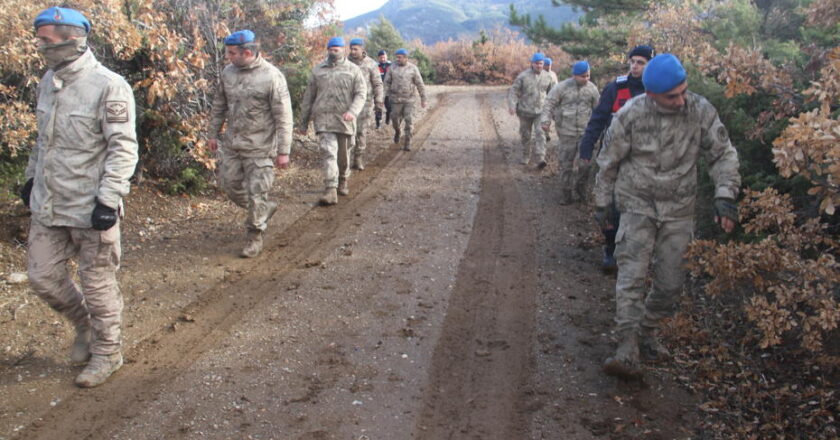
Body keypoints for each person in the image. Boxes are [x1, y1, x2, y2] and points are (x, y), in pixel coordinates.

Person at [594, 54, 740, 379]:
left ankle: (647, 330)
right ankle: (626, 345)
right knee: (630, 277)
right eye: (672, 96)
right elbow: (608, 162)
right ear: (652, 94)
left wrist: (725, 195)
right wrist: (602, 204)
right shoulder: (631, 114)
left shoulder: (699, 110)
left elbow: (723, 154)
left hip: (678, 210)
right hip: (636, 206)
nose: (681, 100)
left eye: (683, 91)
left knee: (671, 284)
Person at [24, 6, 139, 387]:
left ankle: (108, 353)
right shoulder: (48, 80)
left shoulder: (109, 85)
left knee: (98, 284)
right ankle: (84, 325)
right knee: (41, 276)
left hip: (92, 207)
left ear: (73, 38)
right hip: (50, 203)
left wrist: (109, 199)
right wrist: (30, 180)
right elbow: (43, 140)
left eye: (46, 40)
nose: (40, 47)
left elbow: (124, 148)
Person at [207, 30, 293, 258]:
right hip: (234, 144)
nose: (229, 57)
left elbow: (284, 117)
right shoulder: (228, 73)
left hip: (261, 147)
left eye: (232, 53)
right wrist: (212, 133)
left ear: (247, 52)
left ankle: (254, 237)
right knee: (230, 186)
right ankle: (264, 208)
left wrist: (283, 151)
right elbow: (219, 105)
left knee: (257, 193)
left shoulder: (272, 77)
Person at [579, 45, 653, 273]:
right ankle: (611, 249)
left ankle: (636, 253)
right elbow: (598, 119)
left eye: (640, 62)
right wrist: (586, 148)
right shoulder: (615, 88)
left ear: (650, 64)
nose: (635, 66)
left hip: (645, 163)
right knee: (610, 208)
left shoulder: (656, 90)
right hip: (614, 160)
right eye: (632, 61)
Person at [298, 37, 367, 205]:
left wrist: (353, 111)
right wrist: (303, 122)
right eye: (330, 49)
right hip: (323, 119)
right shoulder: (318, 71)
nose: (333, 51)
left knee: (343, 156)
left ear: (343, 50)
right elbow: (309, 97)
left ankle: (343, 179)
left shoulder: (353, 70)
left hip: (344, 120)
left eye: (336, 49)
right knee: (328, 153)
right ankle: (330, 189)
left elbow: (361, 93)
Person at [540, 61, 599, 204]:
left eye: (588, 76)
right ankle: (565, 194)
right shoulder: (561, 88)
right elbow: (549, 104)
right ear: (574, 75)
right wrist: (545, 121)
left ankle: (581, 189)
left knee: (586, 165)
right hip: (567, 133)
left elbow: (598, 110)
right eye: (583, 76)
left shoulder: (592, 89)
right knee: (566, 165)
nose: (586, 79)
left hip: (586, 134)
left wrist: (599, 129)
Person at [508, 52, 556, 167]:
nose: (539, 65)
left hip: (541, 111)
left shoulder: (548, 77)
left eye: (541, 63)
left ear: (543, 64)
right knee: (526, 134)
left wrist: (553, 109)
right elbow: (513, 91)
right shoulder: (523, 76)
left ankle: (541, 158)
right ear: (532, 64)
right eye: (536, 63)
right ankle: (526, 155)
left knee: (541, 133)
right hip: (525, 111)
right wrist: (512, 105)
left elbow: (553, 94)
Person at [348, 38, 384, 171]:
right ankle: (345, 159)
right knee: (348, 132)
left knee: (361, 132)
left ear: (362, 49)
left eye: (355, 49)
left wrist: (378, 100)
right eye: (351, 48)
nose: (352, 51)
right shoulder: (345, 63)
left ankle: (358, 158)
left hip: (365, 104)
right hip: (347, 104)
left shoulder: (371, 64)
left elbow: (377, 84)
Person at [383, 48, 426, 151]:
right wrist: (382, 97)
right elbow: (386, 83)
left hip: (409, 100)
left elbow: (420, 84)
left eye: (400, 57)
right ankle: (397, 131)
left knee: (409, 120)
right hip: (395, 100)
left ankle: (407, 142)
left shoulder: (413, 69)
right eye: (396, 57)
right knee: (394, 119)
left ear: (406, 58)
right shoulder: (392, 68)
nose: (397, 59)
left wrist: (423, 98)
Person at [542, 57, 559, 143]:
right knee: (545, 118)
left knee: (557, 117)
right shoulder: (541, 75)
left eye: (549, 65)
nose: (548, 67)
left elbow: (557, 86)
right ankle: (546, 135)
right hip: (545, 101)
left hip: (554, 100)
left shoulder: (553, 74)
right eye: (546, 65)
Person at [375, 50, 392, 129]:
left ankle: (388, 118)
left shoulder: (391, 65)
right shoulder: (376, 66)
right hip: (379, 89)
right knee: (378, 106)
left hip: (388, 89)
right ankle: (378, 123)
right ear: (378, 58)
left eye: (384, 57)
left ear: (386, 56)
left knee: (389, 107)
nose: (383, 59)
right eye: (381, 57)